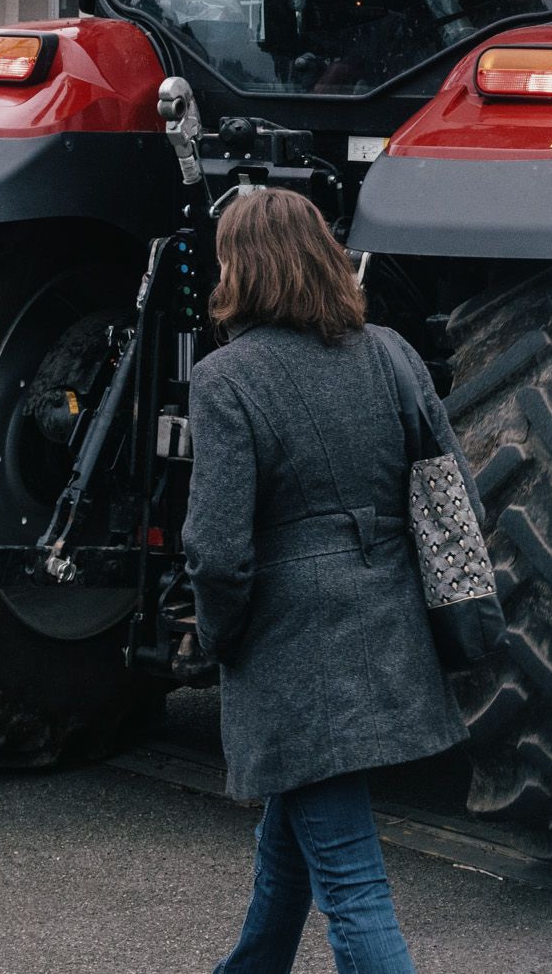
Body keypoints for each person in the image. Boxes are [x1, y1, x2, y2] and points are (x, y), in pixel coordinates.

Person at [183, 188, 471, 974]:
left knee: (352, 883)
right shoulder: (392, 352)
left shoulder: (226, 379)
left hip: (293, 657)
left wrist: (218, 634)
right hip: (384, 640)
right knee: (292, 845)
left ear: (239, 270)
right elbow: (449, 494)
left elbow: (216, 551)